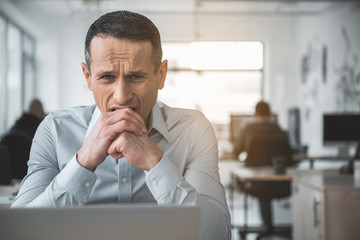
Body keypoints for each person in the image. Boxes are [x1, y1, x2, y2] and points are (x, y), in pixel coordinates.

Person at [11, 11, 231, 240]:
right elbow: (18, 232)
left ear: (161, 75)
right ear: (88, 77)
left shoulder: (193, 130)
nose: (122, 96)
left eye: (136, 77)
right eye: (107, 77)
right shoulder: (55, 130)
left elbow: (217, 234)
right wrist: (83, 162)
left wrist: (156, 163)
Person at [234, 100, 292, 239]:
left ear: (255, 114)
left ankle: (267, 227)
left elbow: (237, 152)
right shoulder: (279, 130)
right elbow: (289, 157)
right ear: (270, 114)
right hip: (281, 183)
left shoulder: (248, 129)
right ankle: (269, 227)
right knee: (267, 189)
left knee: (261, 190)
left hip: (256, 182)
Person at [0, 99, 45, 179]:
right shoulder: (41, 129)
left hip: (8, 178)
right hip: (30, 177)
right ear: (41, 113)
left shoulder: (15, 127)